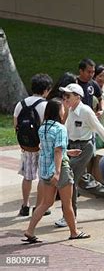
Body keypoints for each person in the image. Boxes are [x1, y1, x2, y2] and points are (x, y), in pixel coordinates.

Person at [23, 99, 90, 243]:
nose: (64, 110)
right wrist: (58, 172)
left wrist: (68, 151)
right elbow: (58, 150)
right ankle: (74, 232)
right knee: (67, 204)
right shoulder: (60, 128)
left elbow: (51, 149)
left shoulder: (43, 127)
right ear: (58, 112)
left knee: (46, 203)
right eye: (62, 108)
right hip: (60, 170)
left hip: (46, 169)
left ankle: (30, 230)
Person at [54, 83, 104, 227]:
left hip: (84, 148)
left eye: (68, 96)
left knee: (69, 180)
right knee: (82, 180)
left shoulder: (86, 111)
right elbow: (66, 129)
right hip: (72, 147)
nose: (64, 99)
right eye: (63, 96)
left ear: (78, 97)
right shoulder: (70, 110)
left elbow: (100, 128)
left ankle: (70, 217)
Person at [13, 74, 53, 217]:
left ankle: (25, 206)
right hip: (42, 147)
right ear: (47, 90)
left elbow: (16, 126)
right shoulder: (46, 105)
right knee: (42, 178)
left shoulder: (20, 104)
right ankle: (39, 206)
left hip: (27, 147)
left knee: (27, 177)